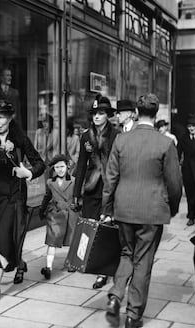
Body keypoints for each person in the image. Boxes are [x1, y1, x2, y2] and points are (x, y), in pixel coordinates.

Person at [102, 93, 182, 328]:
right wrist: (173, 208)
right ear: (156, 115)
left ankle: (116, 296)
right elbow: (175, 184)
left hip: (124, 208)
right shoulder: (165, 143)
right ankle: (133, 315)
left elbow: (110, 179)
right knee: (143, 260)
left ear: (136, 113)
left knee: (127, 253)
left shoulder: (121, 140)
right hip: (152, 210)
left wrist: (107, 207)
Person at [0, 100, 45, 302]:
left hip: (15, 195)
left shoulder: (20, 138)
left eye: (1, 117)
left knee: (3, 236)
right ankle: (20, 264)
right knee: (4, 235)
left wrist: (27, 172)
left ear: (10, 118)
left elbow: (40, 164)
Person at [71, 94, 119, 289]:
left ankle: (103, 272)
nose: (97, 117)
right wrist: (76, 193)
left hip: (110, 187)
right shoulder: (85, 136)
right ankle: (82, 260)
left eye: (101, 113)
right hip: (91, 187)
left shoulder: (116, 135)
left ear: (107, 115)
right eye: (94, 113)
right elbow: (81, 165)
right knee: (88, 224)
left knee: (105, 228)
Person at [39, 154, 79, 279]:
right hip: (55, 214)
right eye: (57, 167)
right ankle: (48, 267)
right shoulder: (50, 182)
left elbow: (80, 195)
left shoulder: (74, 181)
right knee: (52, 240)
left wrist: (78, 204)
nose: (60, 169)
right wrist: (42, 209)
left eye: (62, 166)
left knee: (72, 239)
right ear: (54, 169)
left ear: (67, 167)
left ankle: (71, 262)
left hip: (71, 213)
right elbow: (47, 196)